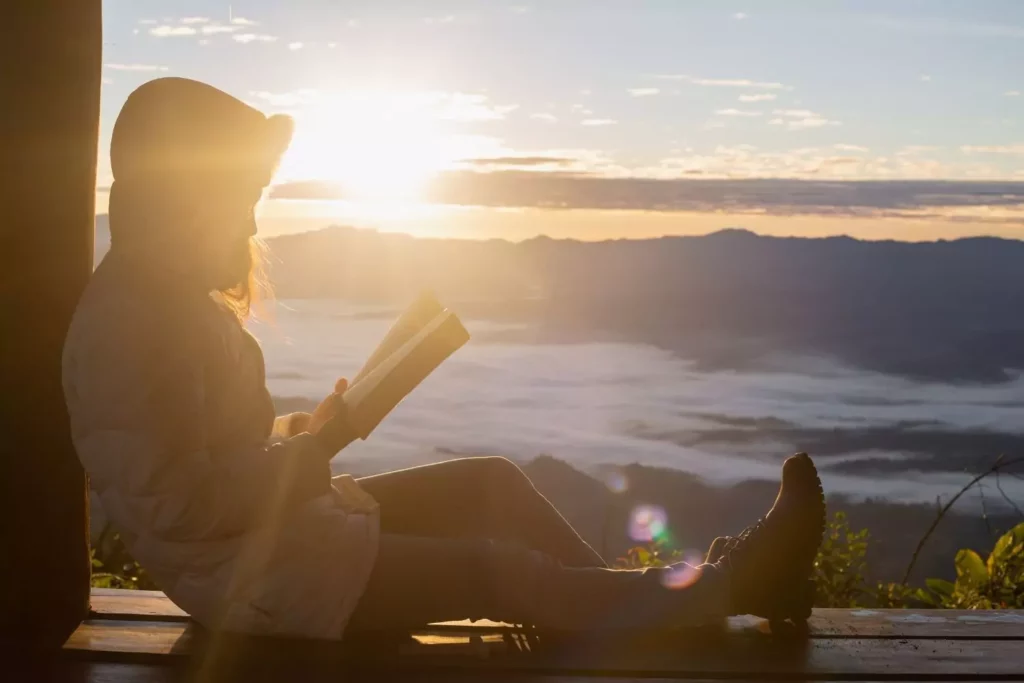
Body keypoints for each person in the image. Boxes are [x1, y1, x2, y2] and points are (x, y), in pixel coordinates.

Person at [63, 77, 826, 640]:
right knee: (501, 571)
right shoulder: (129, 325)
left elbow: (214, 451)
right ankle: (723, 589)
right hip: (259, 584)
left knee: (490, 482)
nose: (251, 218)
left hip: (276, 543)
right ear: (187, 193)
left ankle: (630, 612)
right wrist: (321, 443)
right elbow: (185, 506)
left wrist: (310, 424)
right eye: (242, 193)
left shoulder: (166, 298)